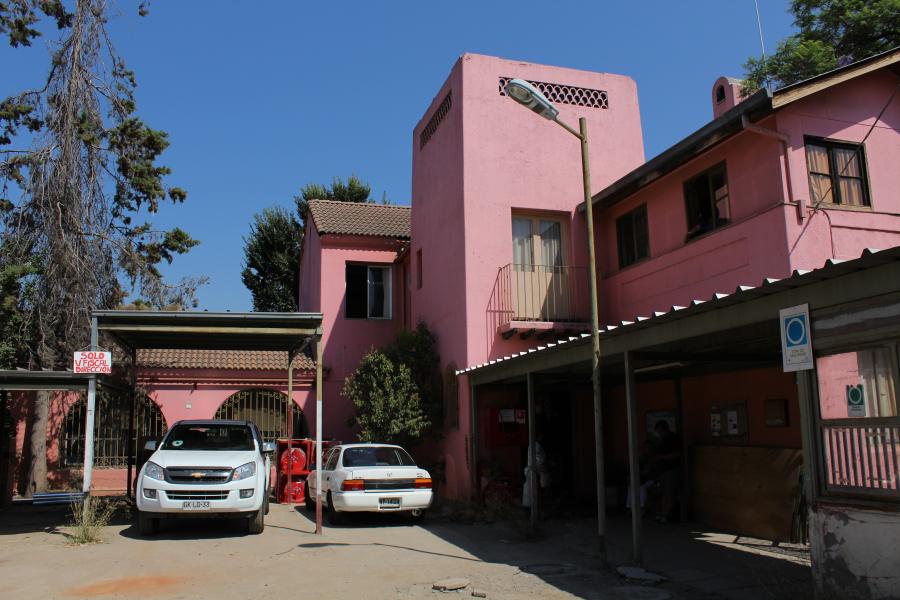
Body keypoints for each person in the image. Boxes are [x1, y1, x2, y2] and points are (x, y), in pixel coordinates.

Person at [648, 420, 681, 523]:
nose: (658, 433)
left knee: (668, 493)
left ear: (663, 429)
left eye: (659, 431)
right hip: (662, 470)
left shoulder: (672, 439)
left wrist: (661, 457)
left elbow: (677, 454)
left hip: (670, 470)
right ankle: (661, 514)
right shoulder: (662, 440)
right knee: (661, 492)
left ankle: (667, 515)